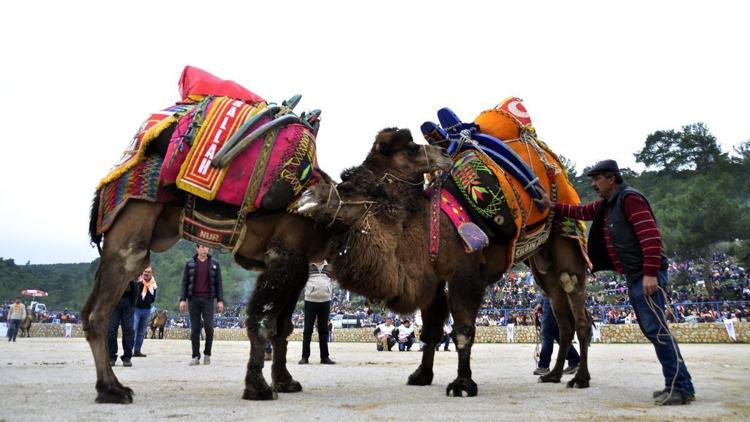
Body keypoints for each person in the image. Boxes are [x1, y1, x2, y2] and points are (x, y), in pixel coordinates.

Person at [536, 159, 695, 405]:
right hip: (636, 275)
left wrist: (650, 273)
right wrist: (552, 206)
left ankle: (680, 387)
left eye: (597, 179)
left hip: (645, 275)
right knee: (655, 330)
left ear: (612, 179)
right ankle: (678, 384)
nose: (594, 184)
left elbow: (650, 236)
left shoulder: (630, 199)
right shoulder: (608, 205)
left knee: (657, 330)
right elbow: (581, 212)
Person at [180, 244, 224, 366]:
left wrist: (220, 300)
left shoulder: (214, 264)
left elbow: (219, 283)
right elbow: (184, 282)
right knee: (195, 329)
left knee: (209, 328)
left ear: (208, 249)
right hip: (193, 299)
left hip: (208, 299)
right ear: (197, 249)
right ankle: (195, 356)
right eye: (202, 247)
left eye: (206, 247)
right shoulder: (189, 263)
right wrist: (182, 299)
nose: (204, 249)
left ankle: (207, 354)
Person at [299, 260, 335, 365]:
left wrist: (329, 290)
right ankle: (304, 357)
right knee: (307, 330)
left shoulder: (329, 267)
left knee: (324, 330)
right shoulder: (307, 266)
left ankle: (325, 357)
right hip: (310, 301)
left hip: (325, 301)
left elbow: (333, 281)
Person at [533, 296, 580, 376]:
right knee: (557, 333)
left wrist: (543, 302)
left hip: (552, 296)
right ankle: (574, 360)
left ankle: (544, 366)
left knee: (547, 332)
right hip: (561, 298)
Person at [107, 280, 136, 367]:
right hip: (112, 300)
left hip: (128, 299)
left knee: (128, 329)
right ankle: (111, 357)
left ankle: (127, 357)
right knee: (110, 330)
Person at [132, 266, 157, 357]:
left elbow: (153, 299)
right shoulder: (137, 283)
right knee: (133, 329)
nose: (146, 273)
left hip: (147, 310)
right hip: (136, 309)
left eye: (148, 272)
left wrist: (148, 299)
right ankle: (129, 350)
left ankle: (137, 351)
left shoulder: (153, 285)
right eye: (145, 271)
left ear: (152, 273)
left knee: (142, 332)